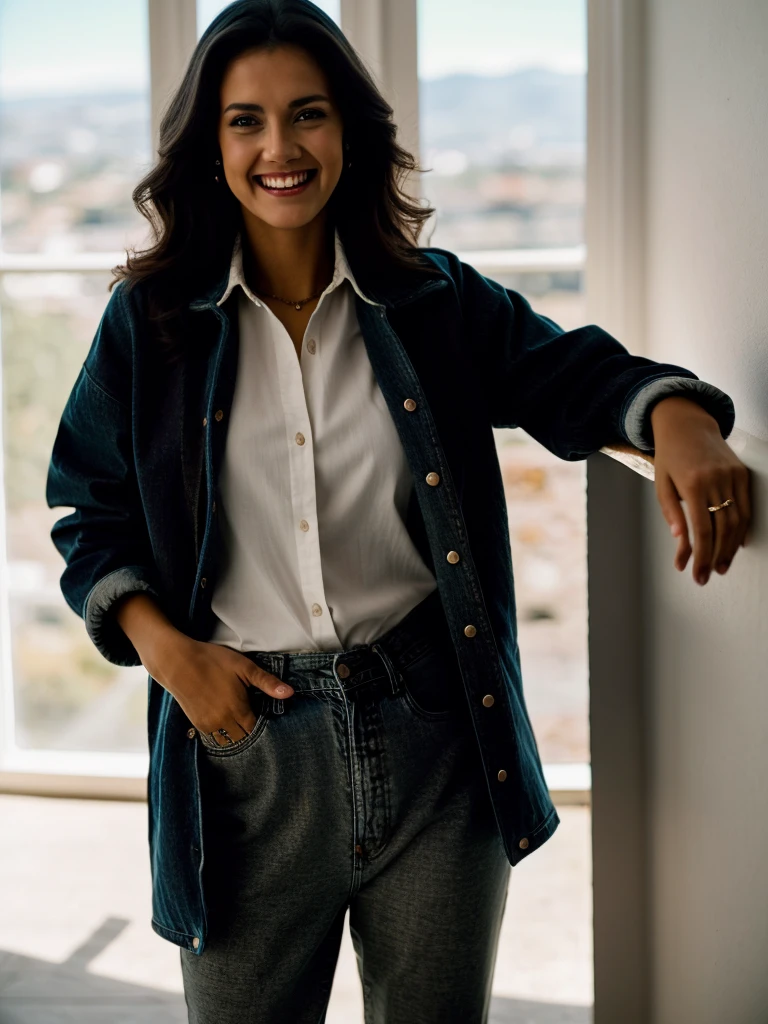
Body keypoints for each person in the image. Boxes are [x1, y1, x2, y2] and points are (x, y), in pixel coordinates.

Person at [45, 1, 751, 1021]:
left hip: (438, 741)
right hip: (245, 752)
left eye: (309, 114)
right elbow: (85, 507)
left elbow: (569, 374)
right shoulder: (148, 325)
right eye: (245, 120)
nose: (279, 147)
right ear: (210, 143)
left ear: (352, 135)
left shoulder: (432, 300)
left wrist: (678, 414)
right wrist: (170, 653)